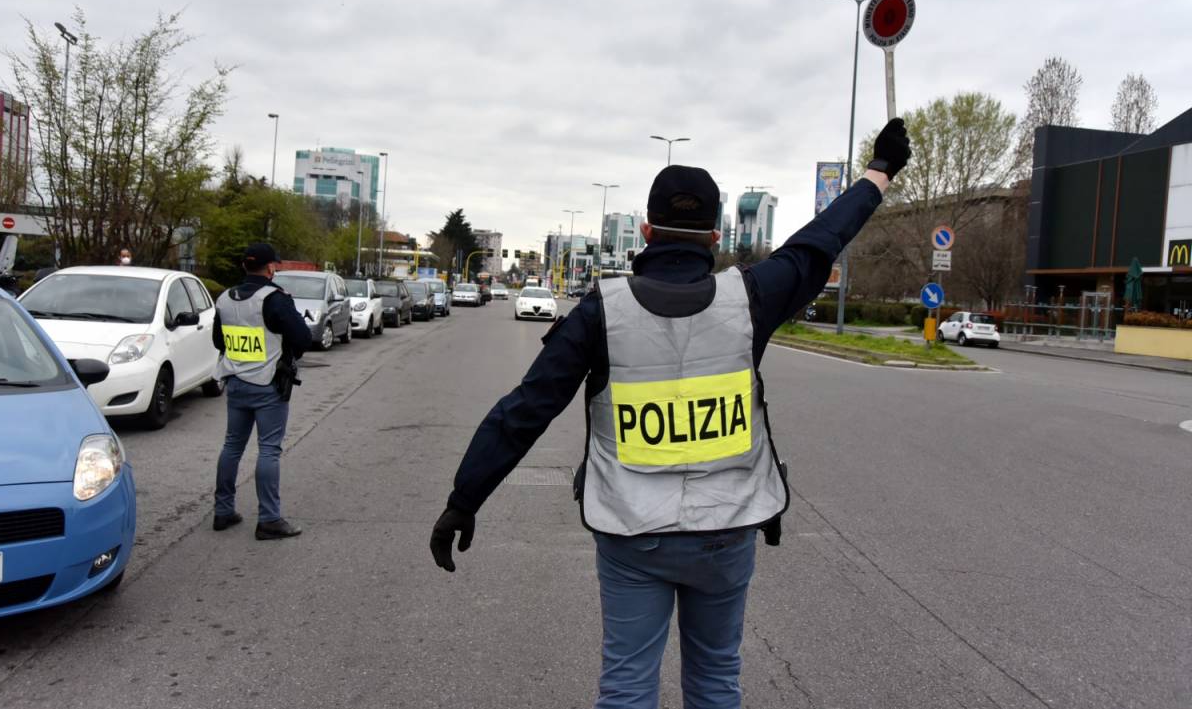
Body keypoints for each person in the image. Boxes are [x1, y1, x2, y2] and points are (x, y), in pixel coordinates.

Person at [430, 119, 912, 707]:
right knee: (715, 681)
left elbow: (525, 411)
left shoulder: (599, 312)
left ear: (646, 230)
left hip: (634, 536)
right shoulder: (751, 298)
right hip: (727, 534)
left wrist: (464, 498)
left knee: (628, 685)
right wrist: (877, 174)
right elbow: (818, 242)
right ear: (714, 236)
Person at [211, 242, 313, 540]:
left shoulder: (225, 299)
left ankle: (223, 511)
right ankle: (269, 519)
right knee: (269, 449)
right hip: (268, 384)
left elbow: (219, 342)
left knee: (232, 446)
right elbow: (303, 338)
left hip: (235, 381)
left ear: (244, 266)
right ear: (271, 268)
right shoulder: (275, 299)